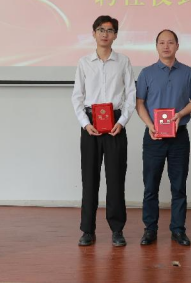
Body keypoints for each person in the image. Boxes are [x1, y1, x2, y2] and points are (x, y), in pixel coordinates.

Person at [71, 16, 136, 247]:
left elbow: (131, 94)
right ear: (93, 33)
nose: (105, 34)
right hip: (91, 124)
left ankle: (117, 230)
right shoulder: (84, 62)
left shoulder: (123, 61)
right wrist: (84, 123)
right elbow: (77, 96)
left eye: (109, 30)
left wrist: (123, 121)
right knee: (89, 178)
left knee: (116, 178)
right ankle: (87, 230)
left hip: (116, 123)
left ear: (116, 35)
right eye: (100, 30)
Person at [136, 30, 191, 247]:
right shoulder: (146, 73)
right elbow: (139, 103)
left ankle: (178, 230)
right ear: (156, 46)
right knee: (150, 186)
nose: (166, 46)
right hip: (153, 136)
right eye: (162, 43)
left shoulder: (188, 73)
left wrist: (181, 114)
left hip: (179, 136)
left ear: (177, 45)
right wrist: (150, 125)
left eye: (170, 42)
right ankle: (150, 229)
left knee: (179, 185)